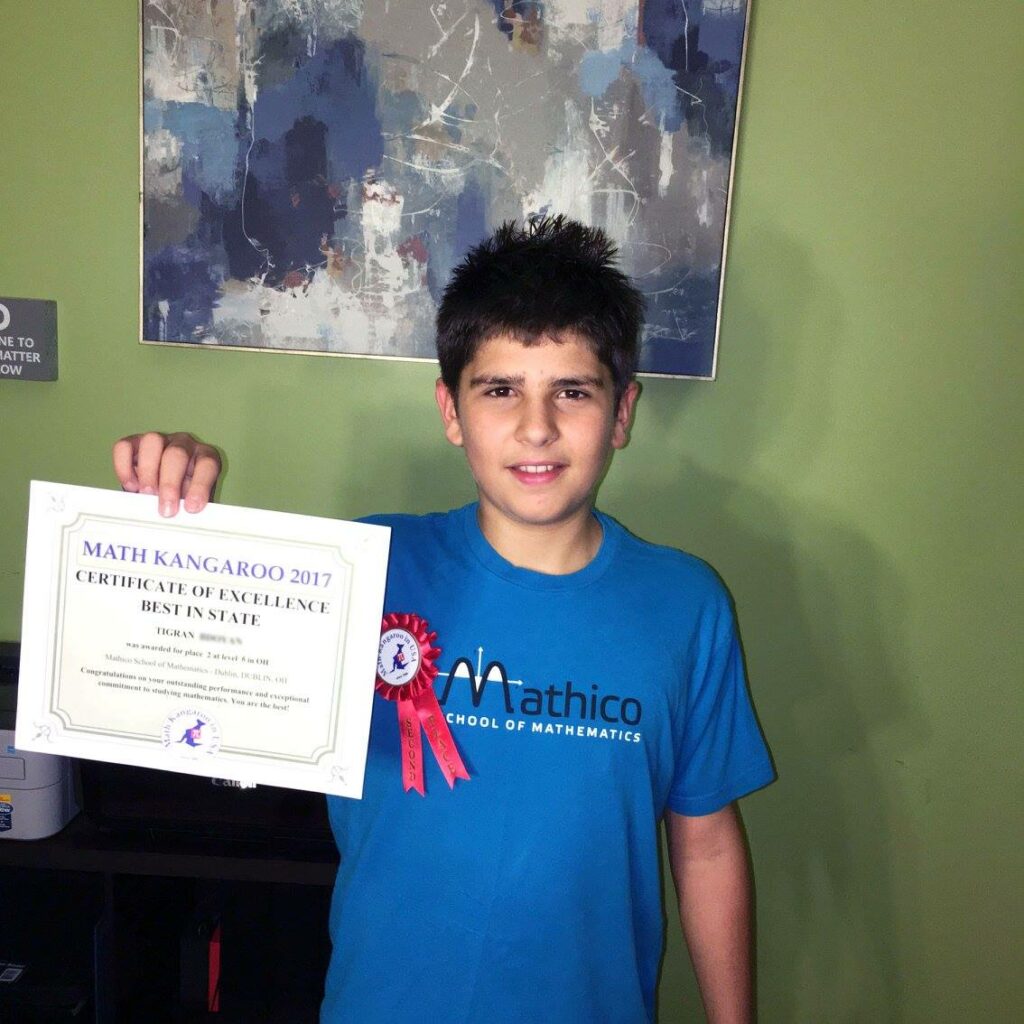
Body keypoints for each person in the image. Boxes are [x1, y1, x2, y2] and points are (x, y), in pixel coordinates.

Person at [113, 217, 774, 1023]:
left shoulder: (686, 605)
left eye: (573, 391)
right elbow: (201, 685)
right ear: (451, 411)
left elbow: (705, 845)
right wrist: (171, 521)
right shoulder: (360, 569)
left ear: (623, 412)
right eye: (500, 390)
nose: (537, 426)